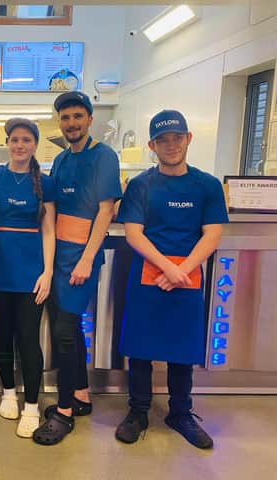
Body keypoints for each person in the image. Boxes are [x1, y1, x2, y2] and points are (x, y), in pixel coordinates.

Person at [115, 110, 228, 449]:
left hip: (188, 276)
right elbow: (134, 234)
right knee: (140, 349)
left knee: (182, 348)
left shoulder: (206, 185)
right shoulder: (141, 185)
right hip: (149, 273)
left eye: (177, 137)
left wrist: (185, 269)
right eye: (163, 140)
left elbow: (211, 234)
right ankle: (138, 411)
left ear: (188, 138)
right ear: (152, 145)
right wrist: (167, 267)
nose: (171, 145)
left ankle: (180, 412)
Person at [33, 91, 122, 446]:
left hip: (80, 261)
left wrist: (87, 258)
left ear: (89, 119)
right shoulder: (61, 160)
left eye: (77, 117)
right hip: (58, 259)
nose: (71, 123)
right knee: (64, 331)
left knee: (66, 334)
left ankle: (65, 412)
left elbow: (106, 209)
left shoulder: (104, 157)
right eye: (65, 117)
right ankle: (81, 394)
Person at [0, 118, 55, 438]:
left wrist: (47, 272)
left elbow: (49, 230)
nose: (20, 145)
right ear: (7, 143)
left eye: (26, 140)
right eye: (14, 139)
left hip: (31, 273)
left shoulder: (45, 183)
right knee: (2, 333)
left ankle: (32, 406)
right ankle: (8, 391)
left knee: (28, 338)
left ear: (35, 145)